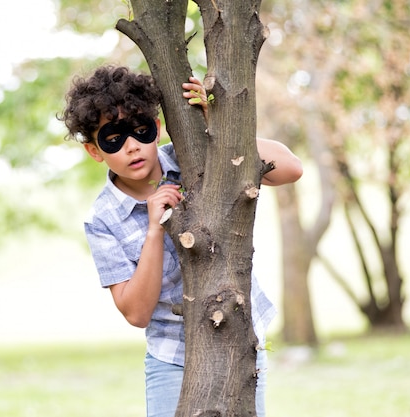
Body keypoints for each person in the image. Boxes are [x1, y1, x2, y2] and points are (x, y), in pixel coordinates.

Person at [59, 65, 303, 417]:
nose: (131, 147)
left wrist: (216, 126)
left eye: (140, 130)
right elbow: (136, 312)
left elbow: (291, 168)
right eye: (113, 137)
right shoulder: (102, 220)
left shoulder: (198, 155)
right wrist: (155, 230)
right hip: (172, 356)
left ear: (156, 129)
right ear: (95, 151)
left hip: (239, 338)